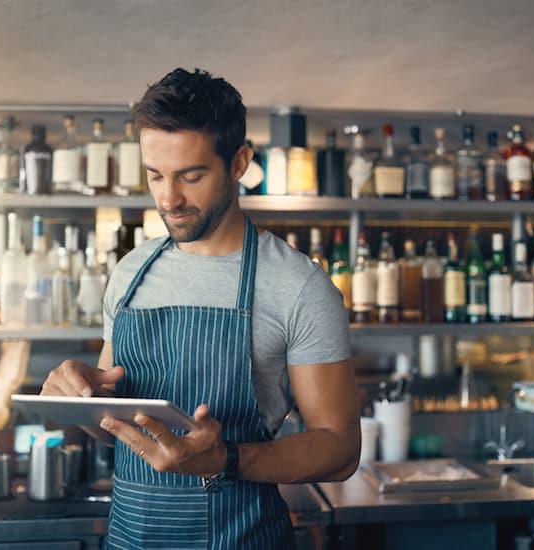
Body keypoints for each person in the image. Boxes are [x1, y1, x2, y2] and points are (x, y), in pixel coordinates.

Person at [40, 68, 360, 548]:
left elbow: (339, 449)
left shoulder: (298, 286)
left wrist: (226, 459)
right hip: (130, 539)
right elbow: (117, 429)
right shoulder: (130, 273)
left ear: (238, 163)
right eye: (155, 175)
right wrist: (77, 400)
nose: (169, 199)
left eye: (191, 176)